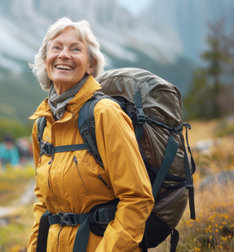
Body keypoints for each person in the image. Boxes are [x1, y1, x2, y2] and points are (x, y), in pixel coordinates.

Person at [27, 18, 154, 252]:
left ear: (90, 66)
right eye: (56, 47)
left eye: (75, 49)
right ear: (46, 60)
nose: (63, 55)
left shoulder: (104, 113)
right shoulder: (43, 124)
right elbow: (43, 205)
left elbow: (137, 198)